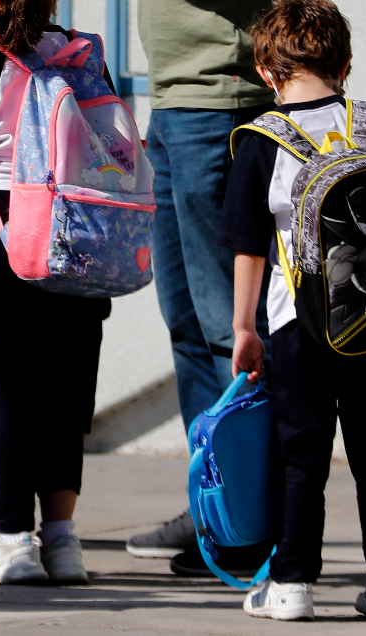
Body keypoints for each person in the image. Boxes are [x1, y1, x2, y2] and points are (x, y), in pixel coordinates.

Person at [222, 0, 366, 621]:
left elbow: (249, 244)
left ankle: (292, 585)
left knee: (300, 453)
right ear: (346, 62)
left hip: (297, 322)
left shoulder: (259, 140)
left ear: (264, 69)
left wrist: (244, 328)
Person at [0, 0, 120, 585]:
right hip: (81, 228)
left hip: (10, 228)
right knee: (65, 389)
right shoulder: (82, 52)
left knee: (8, 389)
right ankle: (62, 541)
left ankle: (12, 540)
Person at [127, 0, 277, 577]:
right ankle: (214, 504)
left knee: (230, 330)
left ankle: (255, 522)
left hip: (221, 100)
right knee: (188, 325)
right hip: (174, 104)